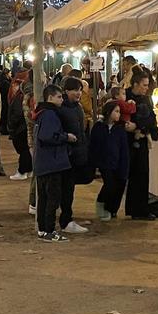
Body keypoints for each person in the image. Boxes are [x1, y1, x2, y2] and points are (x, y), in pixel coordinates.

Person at [34, 84, 76, 242]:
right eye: (59, 97)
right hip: (52, 163)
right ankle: (49, 230)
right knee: (52, 198)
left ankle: (43, 229)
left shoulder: (41, 113)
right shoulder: (50, 114)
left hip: (44, 163)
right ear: (50, 98)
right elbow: (48, 136)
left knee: (44, 199)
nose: (62, 99)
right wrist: (66, 137)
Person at [55, 76, 89, 234]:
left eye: (80, 90)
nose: (78, 93)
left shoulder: (78, 107)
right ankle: (65, 221)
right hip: (66, 155)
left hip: (76, 153)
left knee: (70, 188)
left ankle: (67, 218)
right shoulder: (61, 109)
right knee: (65, 189)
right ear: (66, 91)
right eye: (75, 90)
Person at [125, 71, 158, 220]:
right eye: (144, 85)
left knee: (142, 174)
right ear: (135, 84)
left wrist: (139, 126)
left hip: (142, 140)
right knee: (129, 175)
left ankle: (140, 209)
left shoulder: (147, 99)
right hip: (127, 142)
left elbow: (151, 119)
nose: (146, 88)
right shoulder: (124, 96)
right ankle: (131, 208)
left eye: (147, 85)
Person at [91, 99, 129, 221]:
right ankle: (102, 205)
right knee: (109, 184)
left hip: (118, 161)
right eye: (116, 111)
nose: (118, 114)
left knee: (118, 185)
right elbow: (94, 145)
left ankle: (112, 209)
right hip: (104, 162)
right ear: (109, 112)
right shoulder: (98, 127)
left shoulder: (120, 129)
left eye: (119, 112)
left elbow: (123, 148)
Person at [7, 73, 33, 180]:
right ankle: (29, 169)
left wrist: (12, 127)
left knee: (24, 150)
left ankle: (22, 171)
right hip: (24, 126)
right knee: (27, 149)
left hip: (21, 127)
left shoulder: (23, 96)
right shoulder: (34, 94)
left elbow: (18, 113)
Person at [0, 67, 12, 135]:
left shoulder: (0, 80)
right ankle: (4, 129)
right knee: (5, 115)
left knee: (2, 115)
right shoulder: (6, 82)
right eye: (10, 73)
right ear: (7, 74)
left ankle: (2, 129)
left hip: (1, 100)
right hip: (5, 100)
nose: (11, 74)